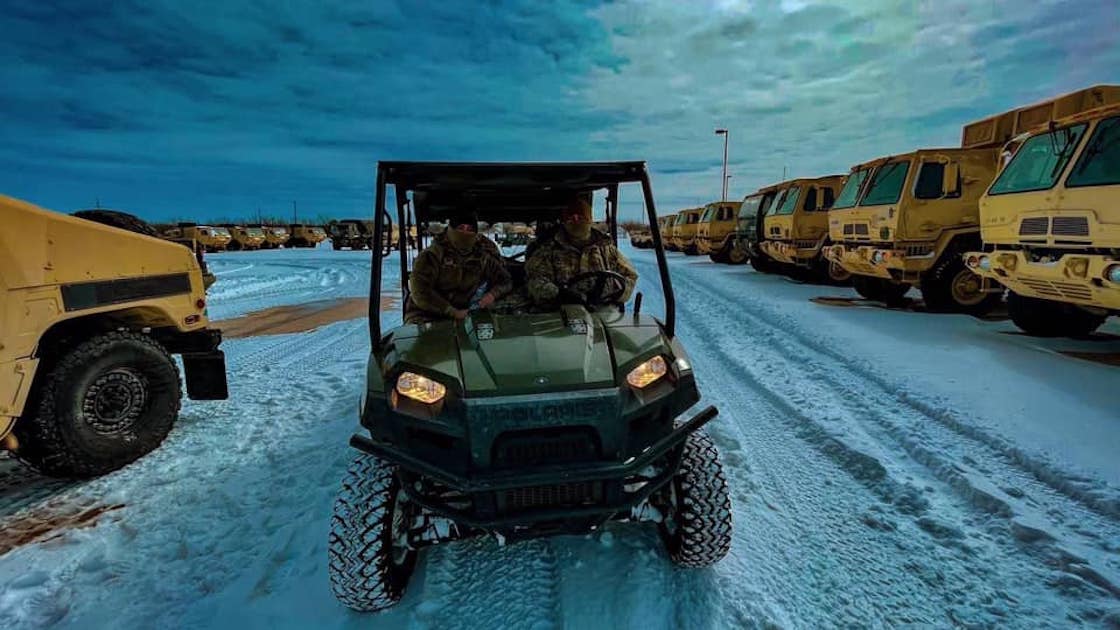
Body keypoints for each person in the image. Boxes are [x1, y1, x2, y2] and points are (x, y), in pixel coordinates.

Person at [404, 207, 512, 323]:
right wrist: (452, 312)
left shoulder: (482, 256)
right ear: (451, 229)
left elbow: (505, 281)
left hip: (467, 313)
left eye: (469, 229)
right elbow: (420, 292)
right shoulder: (432, 256)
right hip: (426, 313)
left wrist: (492, 295)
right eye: (461, 228)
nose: (465, 233)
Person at [526, 196, 638, 307]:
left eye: (580, 216)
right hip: (560, 312)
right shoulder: (548, 250)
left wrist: (612, 291)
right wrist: (561, 294)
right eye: (570, 217)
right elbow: (534, 280)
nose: (575, 220)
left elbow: (630, 276)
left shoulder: (607, 249)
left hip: (603, 311)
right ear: (564, 222)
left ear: (589, 219)